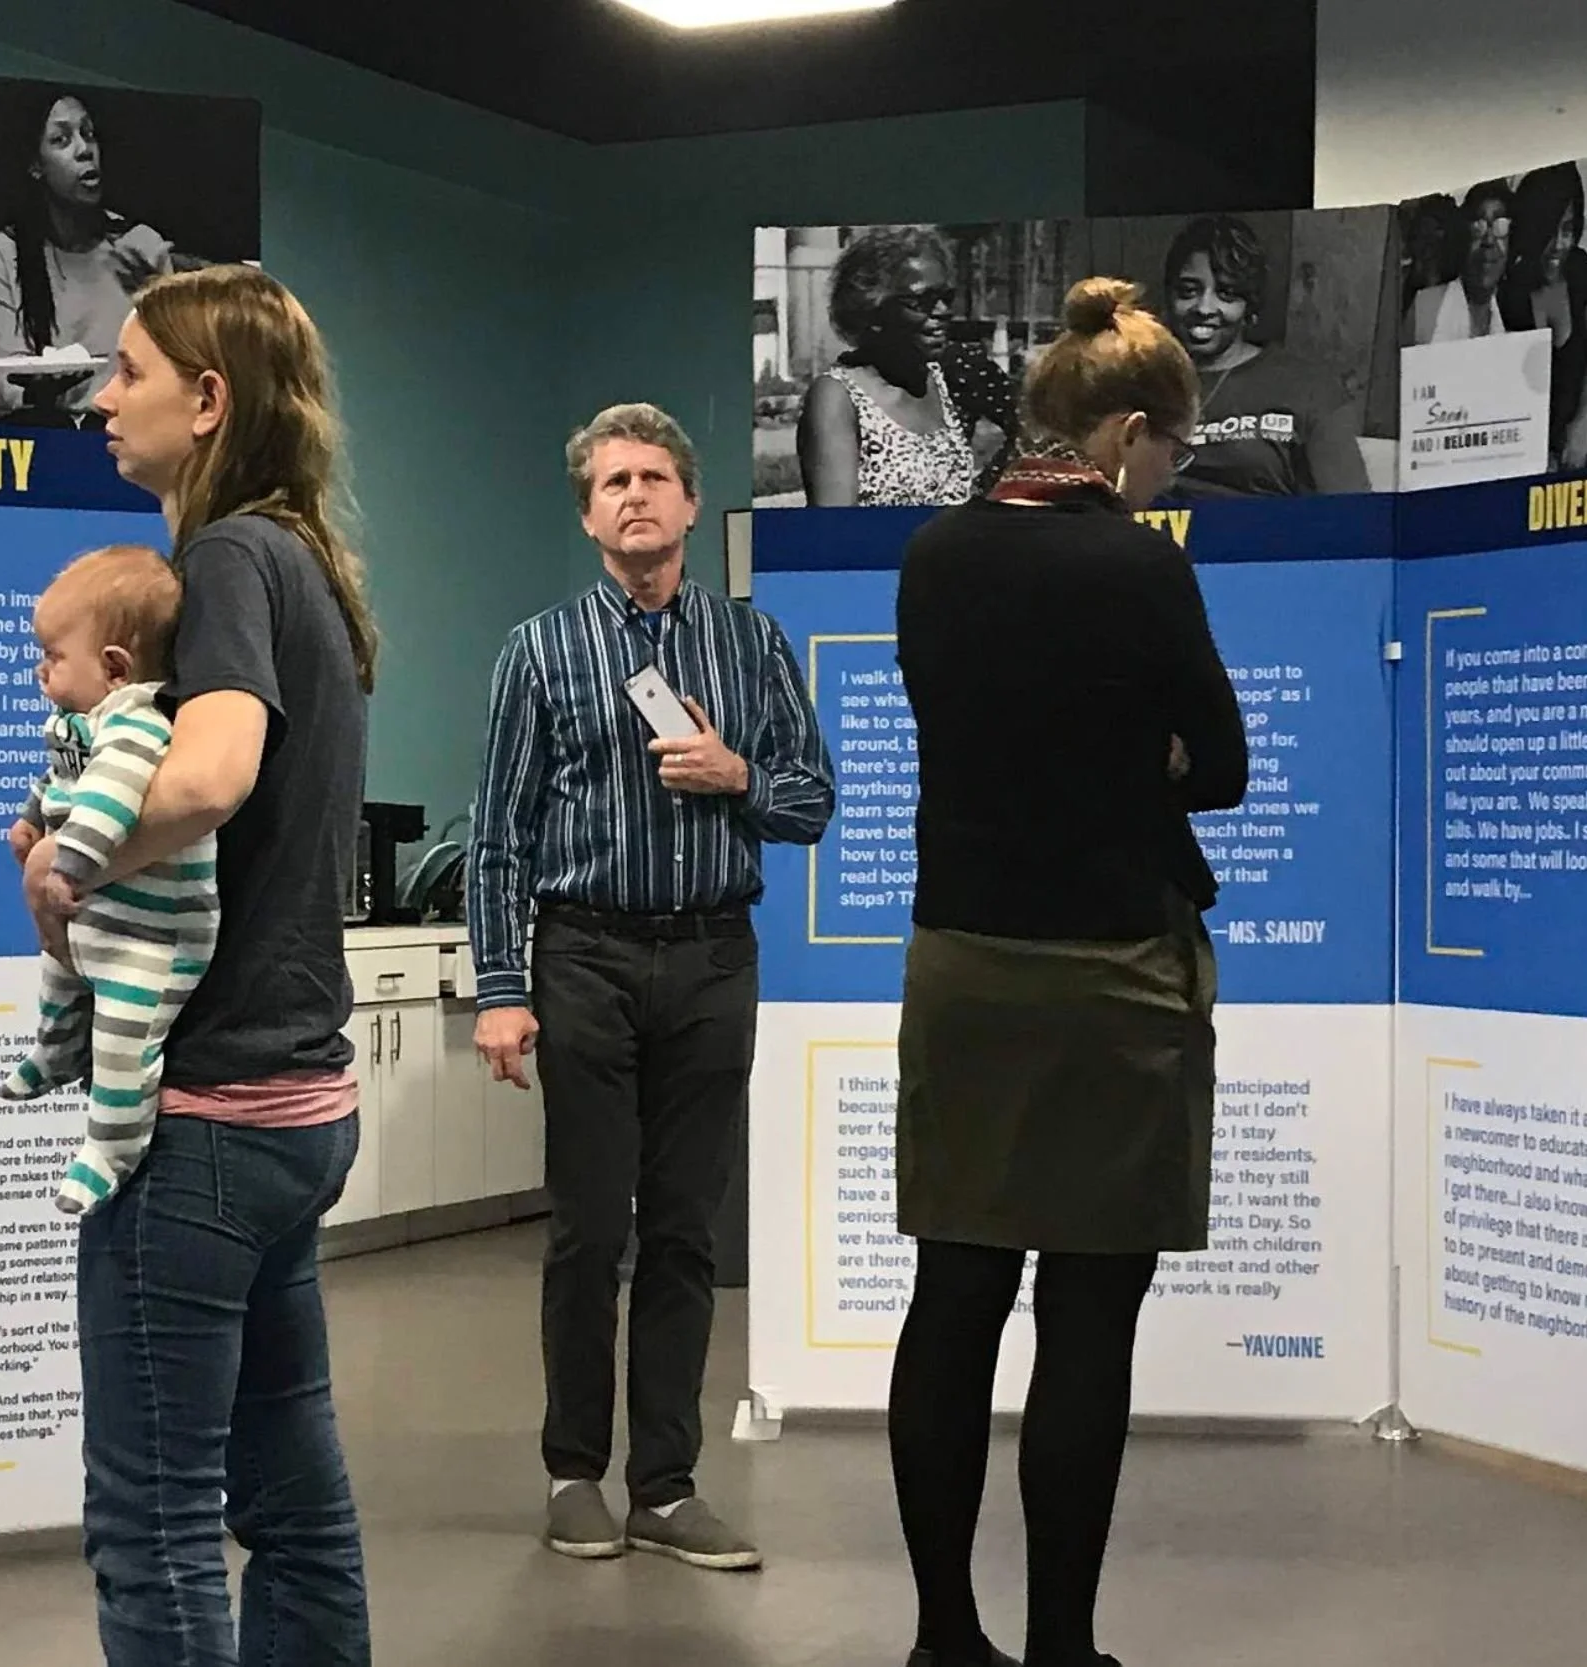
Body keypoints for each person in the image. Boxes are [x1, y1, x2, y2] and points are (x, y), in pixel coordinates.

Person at [13, 264, 377, 1666]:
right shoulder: (306, 565)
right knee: (294, 1501)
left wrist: (69, 862)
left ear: (208, 399)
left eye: (130, 371)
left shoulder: (223, 559)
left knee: (153, 1517)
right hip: (299, 1109)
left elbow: (213, 773)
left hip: (203, 1123)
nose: (103, 397)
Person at [888, 277, 1247, 1667]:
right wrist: (1139, 757)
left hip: (963, 959)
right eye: (1171, 456)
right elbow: (1218, 766)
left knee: (956, 1293)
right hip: (1112, 971)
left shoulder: (934, 557)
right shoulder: (1143, 565)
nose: (1169, 480)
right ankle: (1062, 1644)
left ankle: (942, 1638)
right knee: (1089, 1312)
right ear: (1130, 434)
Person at [469, 403, 833, 1571]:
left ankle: (665, 1486)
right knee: (588, 1227)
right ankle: (574, 1471)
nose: (635, 494)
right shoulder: (538, 650)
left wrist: (738, 775)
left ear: (689, 502)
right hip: (583, 955)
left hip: (715, 954)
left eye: (657, 476)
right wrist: (499, 985)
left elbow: (812, 800)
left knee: (681, 1229)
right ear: (589, 514)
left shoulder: (752, 643)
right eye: (613, 480)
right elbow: (497, 839)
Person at [0, 544, 219, 1218]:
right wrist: (32, 819)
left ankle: (111, 1146)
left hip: (152, 937)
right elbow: (61, 785)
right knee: (58, 974)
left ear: (115, 667)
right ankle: (57, 1052)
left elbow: (109, 802)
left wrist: (67, 862)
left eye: (55, 656)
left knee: (126, 1037)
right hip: (102, 920)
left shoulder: (136, 726)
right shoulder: (80, 726)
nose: (41, 668)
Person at [0, 90, 204, 425]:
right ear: (35, 166)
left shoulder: (140, 246)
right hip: (42, 427)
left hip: (120, 428)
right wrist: (39, 390)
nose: (85, 150)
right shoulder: (5, 252)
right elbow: (10, 383)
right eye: (62, 140)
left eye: (89, 134)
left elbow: (175, 368)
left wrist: (160, 305)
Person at [1158, 214, 1372, 498]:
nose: (1204, 307)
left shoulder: (1310, 388)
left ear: (1250, 304)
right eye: (1188, 291)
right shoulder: (1139, 384)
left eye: (1227, 293)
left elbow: (1350, 513)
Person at [797, 226, 1002, 506]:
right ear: (871, 308)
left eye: (946, 298)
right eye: (921, 301)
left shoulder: (947, 380)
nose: (942, 312)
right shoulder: (837, 397)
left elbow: (1034, 431)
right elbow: (834, 531)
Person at [1501, 163, 1587, 471]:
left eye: (1569, 230)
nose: (1561, 244)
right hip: (1519, 454)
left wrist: (1584, 422)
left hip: (1575, 451)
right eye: (1551, 232)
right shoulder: (1508, 288)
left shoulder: (1579, 268)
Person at [1407, 181, 1515, 345]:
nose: (1489, 240)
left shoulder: (1515, 320)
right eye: (1479, 226)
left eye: (1501, 225)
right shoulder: (1425, 308)